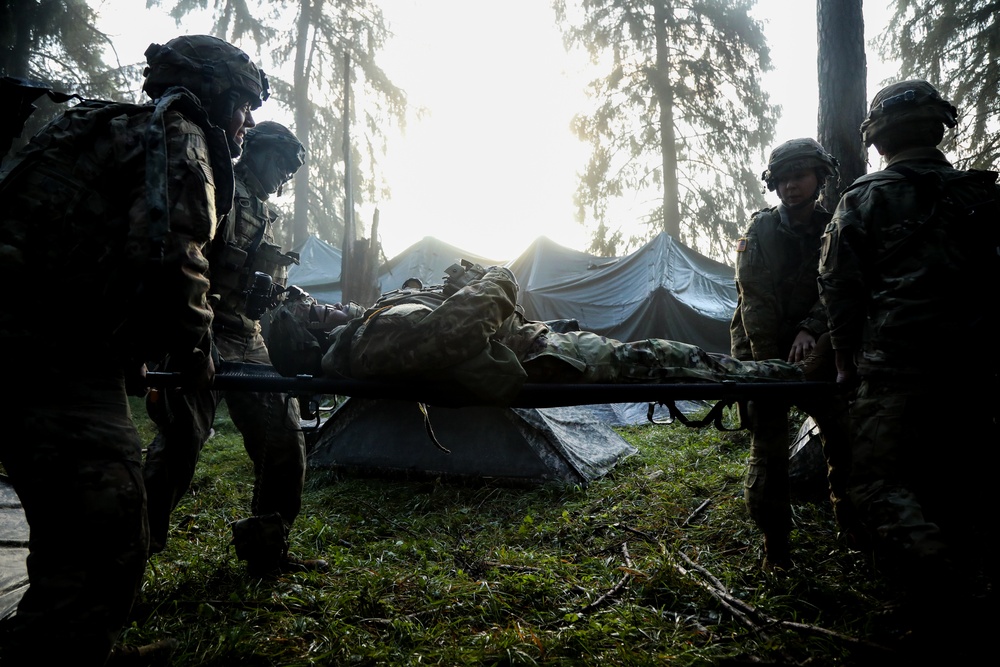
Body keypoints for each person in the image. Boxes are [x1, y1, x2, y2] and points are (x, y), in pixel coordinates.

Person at [0, 35, 267, 666]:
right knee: (109, 527)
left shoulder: (113, 127)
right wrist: (197, 353)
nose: (247, 123)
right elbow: (172, 255)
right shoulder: (181, 135)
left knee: (74, 523)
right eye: (244, 106)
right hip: (51, 356)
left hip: (39, 345)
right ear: (218, 95)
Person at [818, 81, 997, 616]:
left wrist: (846, 362)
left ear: (878, 140)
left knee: (875, 484)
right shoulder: (984, 195)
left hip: (897, 367)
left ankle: (952, 591)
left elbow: (839, 287)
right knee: (960, 479)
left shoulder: (866, 198)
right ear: (938, 125)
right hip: (977, 367)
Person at [143, 121, 326, 578]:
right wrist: (191, 337)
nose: (284, 176)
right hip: (201, 331)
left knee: (284, 443)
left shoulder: (263, 210)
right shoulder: (221, 188)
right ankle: (122, 560)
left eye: (290, 171)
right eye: (280, 164)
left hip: (248, 336)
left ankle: (267, 552)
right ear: (256, 152)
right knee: (180, 443)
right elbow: (185, 254)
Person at [268, 264, 808, 406]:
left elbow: (439, 324)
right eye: (320, 314)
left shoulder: (369, 326)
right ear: (318, 340)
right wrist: (493, 278)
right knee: (669, 358)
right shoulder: (371, 339)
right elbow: (453, 334)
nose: (331, 307)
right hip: (541, 355)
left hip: (534, 342)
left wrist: (451, 286)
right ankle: (789, 378)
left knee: (667, 357)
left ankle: (785, 376)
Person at [729, 138, 849, 569]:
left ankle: (852, 533)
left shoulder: (834, 225)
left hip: (818, 344)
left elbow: (839, 286)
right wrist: (768, 370)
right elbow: (755, 303)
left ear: (819, 178)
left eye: (799, 176)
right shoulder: (759, 231)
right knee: (769, 447)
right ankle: (775, 549)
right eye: (782, 179)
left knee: (843, 434)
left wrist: (811, 330)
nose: (790, 186)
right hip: (762, 348)